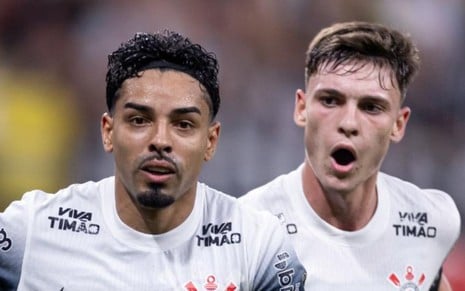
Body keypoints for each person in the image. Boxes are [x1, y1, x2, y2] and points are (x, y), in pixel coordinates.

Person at [0, 30, 307, 290]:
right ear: (108, 132)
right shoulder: (34, 229)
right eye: (139, 120)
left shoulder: (257, 245)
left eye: (183, 124)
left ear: (210, 142)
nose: (160, 141)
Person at [239, 21, 461, 290]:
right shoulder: (246, 230)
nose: (349, 123)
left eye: (371, 107)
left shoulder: (431, 219)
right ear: (301, 108)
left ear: (398, 124)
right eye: (330, 100)